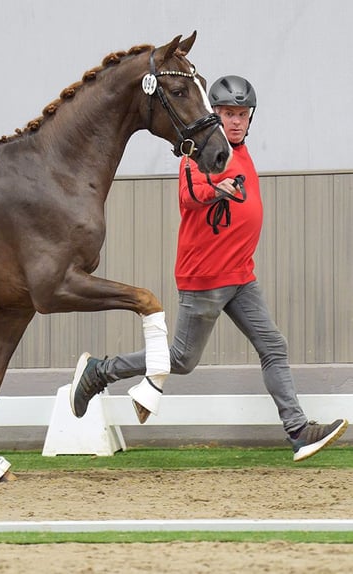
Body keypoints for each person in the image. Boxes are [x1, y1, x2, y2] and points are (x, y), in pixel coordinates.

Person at [69, 75, 348, 461]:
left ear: (251, 118)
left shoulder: (242, 153)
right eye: (228, 113)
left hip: (241, 277)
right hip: (206, 277)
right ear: (213, 114)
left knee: (273, 346)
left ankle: (299, 430)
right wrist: (218, 189)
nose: (235, 121)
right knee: (181, 360)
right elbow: (190, 194)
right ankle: (101, 371)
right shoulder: (197, 155)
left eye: (242, 114)